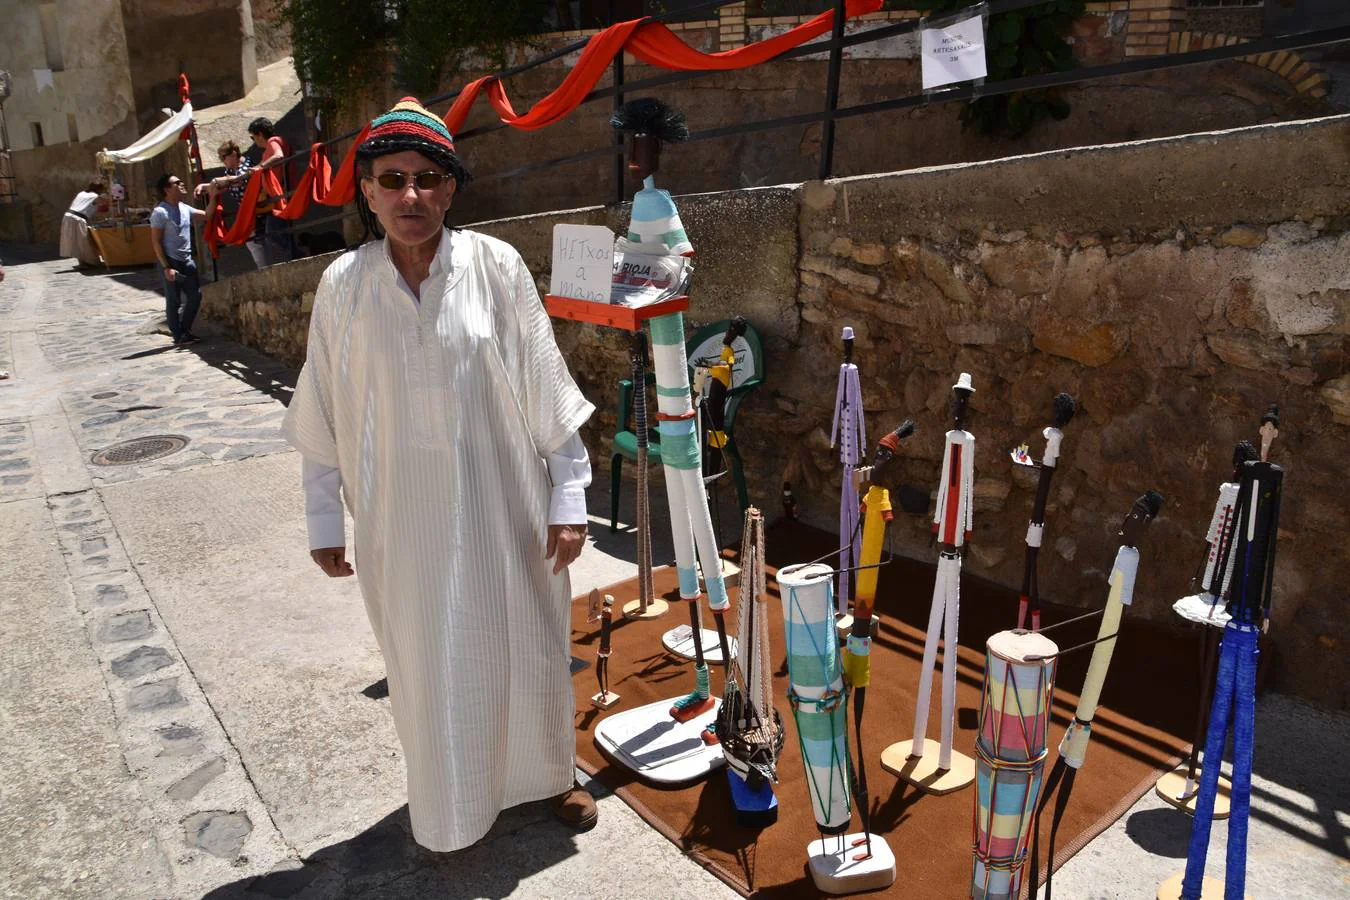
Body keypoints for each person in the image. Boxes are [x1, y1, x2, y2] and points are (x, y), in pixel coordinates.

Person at [281, 97, 598, 853]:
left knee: (525, 639)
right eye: (392, 180)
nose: (410, 196)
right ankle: (453, 801)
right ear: (366, 190)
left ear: (452, 188)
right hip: (401, 521)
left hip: (504, 508)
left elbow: (547, 390)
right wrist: (324, 520)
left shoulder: (497, 267)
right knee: (428, 663)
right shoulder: (342, 287)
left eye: (428, 178)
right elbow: (321, 408)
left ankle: (551, 772)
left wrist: (570, 499)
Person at [149, 172, 207, 345]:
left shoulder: (184, 207)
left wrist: (213, 196)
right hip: (171, 261)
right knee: (174, 301)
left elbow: (207, 215)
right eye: (177, 183)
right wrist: (166, 267)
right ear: (167, 189)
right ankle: (178, 335)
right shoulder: (160, 212)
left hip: (187, 260)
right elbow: (156, 242)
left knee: (195, 296)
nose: (182, 184)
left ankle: (185, 330)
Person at [197, 139, 267, 270]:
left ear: (234, 154)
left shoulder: (247, 166)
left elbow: (239, 180)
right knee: (254, 245)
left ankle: (266, 270)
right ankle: (263, 270)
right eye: (220, 158)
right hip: (247, 213)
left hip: (258, 210)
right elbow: (223, 186)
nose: (222, 161)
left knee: (261, 242)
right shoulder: (229, 172)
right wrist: (204, 186)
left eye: (224, 157)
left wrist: (215, 182)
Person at [248, 117, 292, 265]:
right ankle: (292, 256)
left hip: (279, 195)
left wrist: (261, 167)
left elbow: (279, 155)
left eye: (252, 137)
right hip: (277, 195)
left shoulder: (273, 141)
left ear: (260, 134)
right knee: (278, 230)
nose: (254, 141)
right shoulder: (270, 147)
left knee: (273, 232)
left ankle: (293, 257)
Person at [60, 181, 105, 267]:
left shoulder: (81, 193)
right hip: (77, 218)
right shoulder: (94, 196)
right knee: (83, 241)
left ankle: (83, 262)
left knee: (76, 241)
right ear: (99, 189)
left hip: (68, 216)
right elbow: (107, 203)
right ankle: (91, 262)